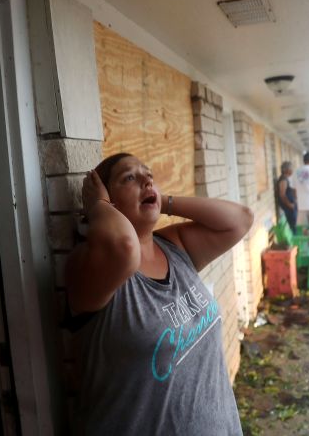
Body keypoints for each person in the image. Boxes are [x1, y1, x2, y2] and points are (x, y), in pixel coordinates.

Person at [65, 153, 253, 435]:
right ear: (108, 201)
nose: (146, 179)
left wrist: (160, 200)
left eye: (148, 174)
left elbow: (240, 220)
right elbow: (125, 249)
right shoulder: (92, 268)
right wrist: (98, 206)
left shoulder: (174, 246)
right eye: (129, 177)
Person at [276, 161, 297, 232]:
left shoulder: (286, 178)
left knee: (294, 224)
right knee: (292, 226)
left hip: (290, 207)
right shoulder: (283, 180)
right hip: (288, 208)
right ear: (286, 170)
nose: (292, 170)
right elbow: (282, 195)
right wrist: (290, 205)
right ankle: (294, 241)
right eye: (291, 169)